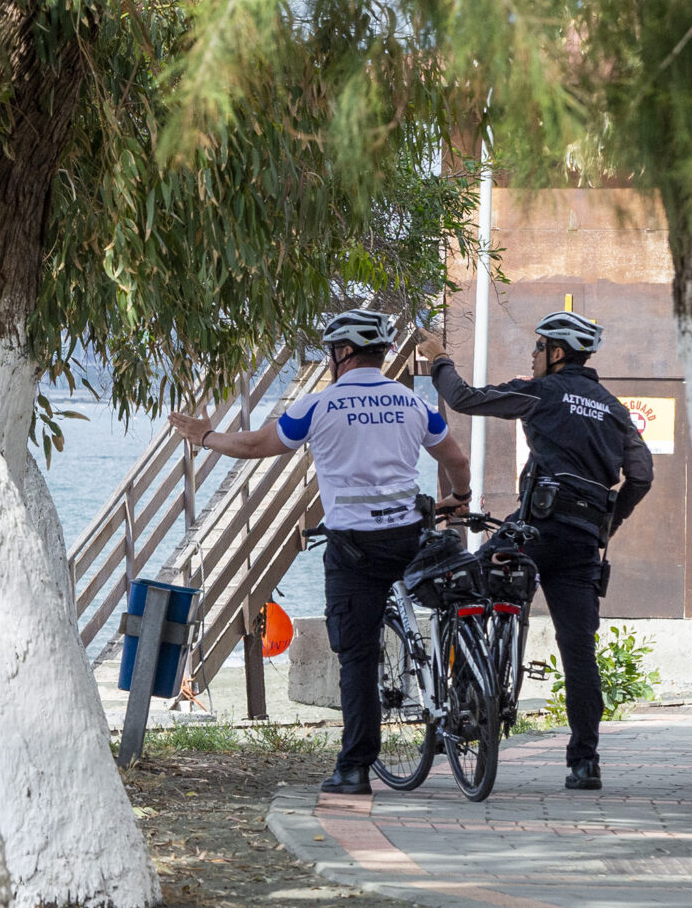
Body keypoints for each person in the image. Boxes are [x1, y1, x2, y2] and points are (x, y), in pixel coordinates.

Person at [170, 310, 473, 795]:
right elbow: (455, 459)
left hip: (355, 550)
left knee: (357, 655)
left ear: (343, 353)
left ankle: (355, 770)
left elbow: (254, 445)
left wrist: (205, 436)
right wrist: (459, 499)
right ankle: (462, 701)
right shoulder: (412, 403)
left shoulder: (321, 405)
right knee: (452, 602)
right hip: (409, 537)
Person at [421, 311, 653, 791]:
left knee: (464, 589)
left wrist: (439, 359)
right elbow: (642, 475)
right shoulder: (614, 409)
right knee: (578, 652)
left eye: (538, 346)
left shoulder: (542, 392)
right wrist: (609, 522)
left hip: (534, 531)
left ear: (557, 354)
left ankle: (467, 705)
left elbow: (464, 398)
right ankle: (584, 763)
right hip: (585, 541)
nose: (532, 355)